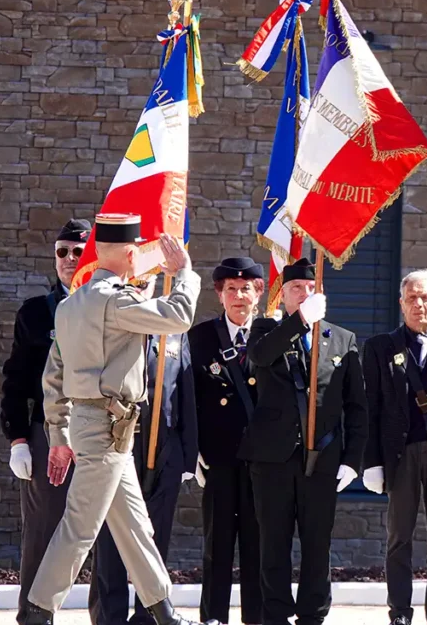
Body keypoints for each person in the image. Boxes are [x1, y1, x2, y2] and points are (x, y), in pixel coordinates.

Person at [24, 214, 206, 625]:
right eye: (137, 249)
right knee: (80, 527)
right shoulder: (116, 301)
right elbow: (179, 316)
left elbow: (53, 377)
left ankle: (163, 611)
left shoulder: (71, 305)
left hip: (102, 427)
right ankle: (37, 611)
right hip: (107, 427)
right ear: (129, 254)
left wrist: (59, 433)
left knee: (134, 527)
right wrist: (184, 272)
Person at [239, 257, 368, 625]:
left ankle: (313, 615)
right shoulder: (266, 329)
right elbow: (260, 357)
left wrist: (352, 460)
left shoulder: (342, 339)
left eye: (312, 288)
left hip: (323, 458)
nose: (305, 293)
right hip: (273, 460)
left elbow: (356, 406)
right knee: (273, 544)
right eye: (296, 288)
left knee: (317, 544)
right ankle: (276, 615)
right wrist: (299, 321)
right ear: (283, 294)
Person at [88, 272, 198, 625]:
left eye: (147, 282)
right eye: (135, 282)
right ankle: (111, 617)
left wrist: (187, 455)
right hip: (119, 442)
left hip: (165, 448)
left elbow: (185, 394)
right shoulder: (112, 325)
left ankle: (149, 617)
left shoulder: (174, 332)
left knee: (155, 537)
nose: (142, 288)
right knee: (112, 537)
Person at [1, 217, 90, 625]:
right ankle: (33, 617)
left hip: (100, 430)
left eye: (78, 251)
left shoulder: (111, 306)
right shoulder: (36, 313)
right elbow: (16, 380)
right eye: (62, 252)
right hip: (48, 433)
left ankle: (106, 616)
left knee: (107, 534)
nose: (69, 259)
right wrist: (18, 438)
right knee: (42, 531)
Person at [362, 269, 427, 625]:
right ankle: (399, 612)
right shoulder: (380, 347)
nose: (419, 304)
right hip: (400, 455)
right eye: (412, 298)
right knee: (399, 538)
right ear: (401, 304)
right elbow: (370, 408)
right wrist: (372, 462)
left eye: (426, 297)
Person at [188, 257, 265, 625]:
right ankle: (213, 617)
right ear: (219, 295)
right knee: (217, 543)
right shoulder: (200, 338)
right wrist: (193, 452)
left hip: (262, 459)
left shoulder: (270, 335)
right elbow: (188, 398)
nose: (238, 296)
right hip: (218, 456)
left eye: (246, 289)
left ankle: (256, 617)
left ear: (258, 294)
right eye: (230, 289)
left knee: (257, 543)